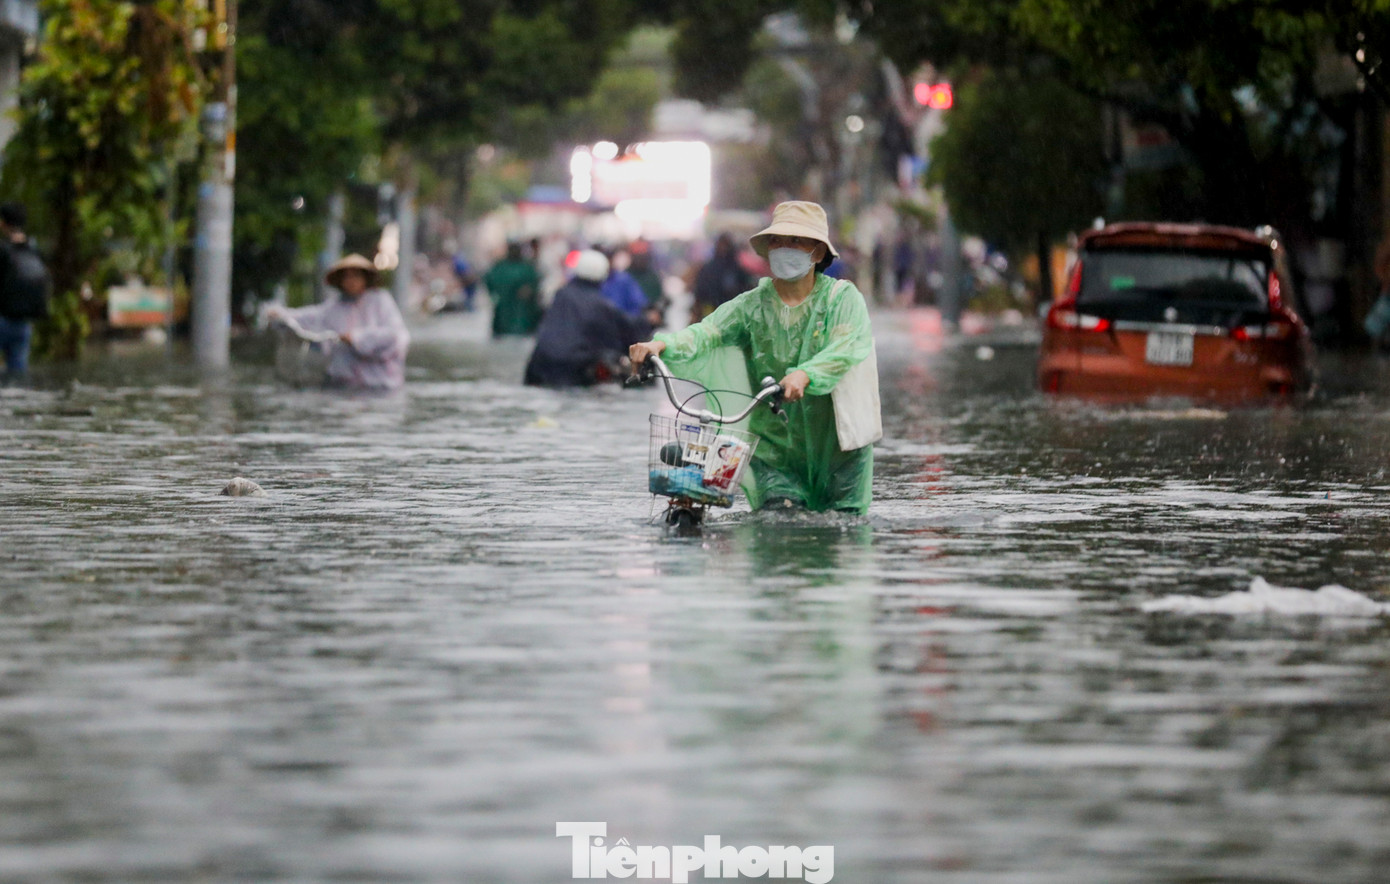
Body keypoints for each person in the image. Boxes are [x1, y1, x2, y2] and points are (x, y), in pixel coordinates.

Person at [630, 201, 880, 515]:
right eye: (776, 241)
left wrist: (806, 375)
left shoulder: (842, 299)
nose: (783, 248)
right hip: (774, 449)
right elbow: (707, 332)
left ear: (817, 252)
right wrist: (662, 346)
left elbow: (845, 348)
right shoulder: (751, 305)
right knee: (777, 522)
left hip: (840, 446)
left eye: (795, 241)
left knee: (844, 530)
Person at [267, 254, 409, 391]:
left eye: (356, 275)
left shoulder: (381, 301)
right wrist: (279, 314)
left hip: (380, 384)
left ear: (365, 278)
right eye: (346, 276)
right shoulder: (333, 307)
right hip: (342, 384)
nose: (351, 280)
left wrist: (355, 338)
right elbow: (307, 317)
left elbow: (394, 336)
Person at [525, 249, 649, 388]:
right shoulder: (600, 305)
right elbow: (624, 333)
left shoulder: (561, 295)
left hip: (540, 367)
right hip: (575, 373)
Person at [0, 203, 50, 382]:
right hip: (24, 324)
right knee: (18, 379)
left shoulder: (3, 250)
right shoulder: (34, 249)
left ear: (3, 223)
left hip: (2, 319)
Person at [691, 232, 755, 323]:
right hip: (711, 312)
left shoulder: (737, 269)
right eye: (721, 244)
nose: (723, 248)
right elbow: (700, 291)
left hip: (732, 314)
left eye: (726, 245)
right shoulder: (708, 268)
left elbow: (747, 288)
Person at [483, 242, 543, 336]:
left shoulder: (526, 267)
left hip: (522, 311)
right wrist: (495, 294)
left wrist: (530, 289)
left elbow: (535, 281)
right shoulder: (500, 267)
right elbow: (489, 279)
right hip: (504, 309)